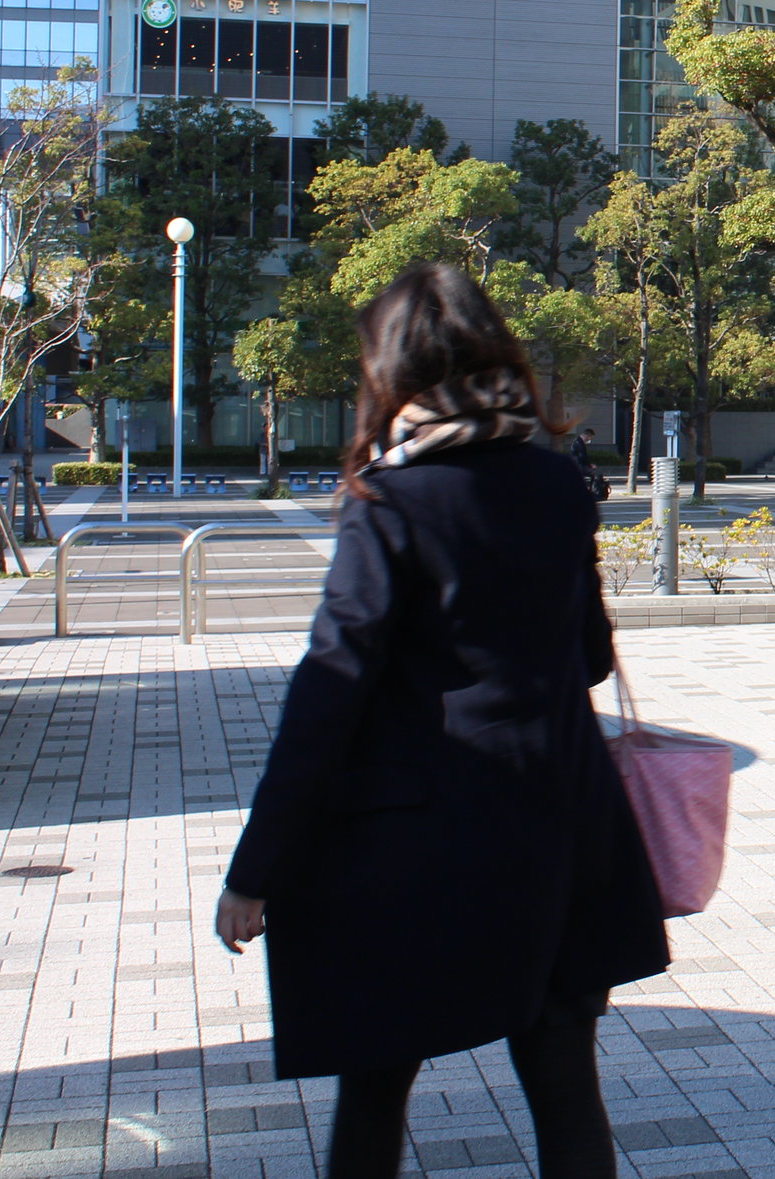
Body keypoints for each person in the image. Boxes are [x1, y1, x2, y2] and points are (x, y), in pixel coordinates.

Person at [213, 264, 669, 1179]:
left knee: (377, 1087)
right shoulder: (554, 481)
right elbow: (587, 658)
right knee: (566, 1087)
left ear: (392, 372)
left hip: (415, 850)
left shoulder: (391, 501)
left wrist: (256, 869)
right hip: (562, 826)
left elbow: (329, 690)